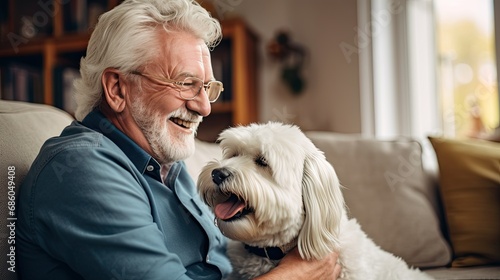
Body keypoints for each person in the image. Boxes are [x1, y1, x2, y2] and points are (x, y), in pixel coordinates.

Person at [16, 0, 342, 279]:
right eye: (186, 84)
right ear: (117, 90)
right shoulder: (80, 170)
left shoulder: (165, 164)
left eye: (208, 88)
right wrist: (299, 272)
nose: (203, 106)